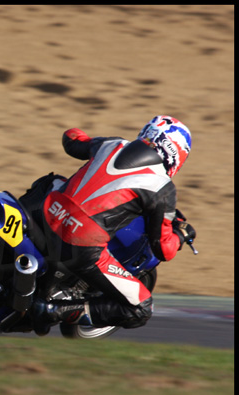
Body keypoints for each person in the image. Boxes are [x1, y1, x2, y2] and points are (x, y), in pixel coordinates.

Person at [30, 115, 196, 332]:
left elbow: (72, 141)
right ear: (177, 155)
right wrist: (181, 236)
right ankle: (50, 311)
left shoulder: (112, 144)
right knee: (142, 308)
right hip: (81, 244)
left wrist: (74, 131)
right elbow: (163, 249)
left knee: (52, 181)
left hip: (48, 212)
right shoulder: (163, 188)